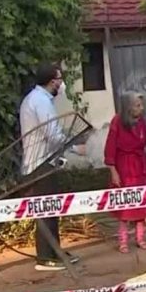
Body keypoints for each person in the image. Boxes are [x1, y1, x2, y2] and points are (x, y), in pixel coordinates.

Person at [19, 62, 84, 271]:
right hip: (41, 163)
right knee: (46, 211)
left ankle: (55, 251)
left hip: (45, 161)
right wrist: (74, 147)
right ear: (51, 81)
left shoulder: (38, 99)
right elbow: (52, 135)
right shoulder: (40, 101)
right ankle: (45, 257)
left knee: (51, 209)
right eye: (59, 80)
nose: (61, 84)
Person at [104, 91, 146, 253]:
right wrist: (113, 171)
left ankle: (140, 238)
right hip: (125, 167)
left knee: (141, 203)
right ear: (128, 107)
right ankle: (123, 240)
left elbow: (142, 141)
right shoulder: (117, 122)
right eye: (138, 105)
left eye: (141, 105)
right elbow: (110, 148)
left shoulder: (141, 122)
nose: (141, 109)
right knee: (125, 205)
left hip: (140, 166)